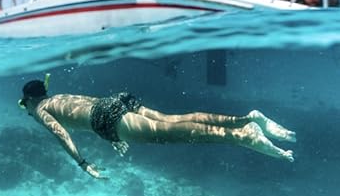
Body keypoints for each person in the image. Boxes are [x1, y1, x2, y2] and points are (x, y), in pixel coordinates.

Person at [18, 76, 296, 179]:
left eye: (24, 105)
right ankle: (245, 120)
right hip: (115, 102)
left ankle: (243, 137)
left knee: (171, 135)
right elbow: (86, 111)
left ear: (30, 100)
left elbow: (61, 133)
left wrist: (82, 163)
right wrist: (110, 138)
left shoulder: (42, 109)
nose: (26, 111)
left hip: (108, 119)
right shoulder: (58, 97)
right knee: (174, 120)